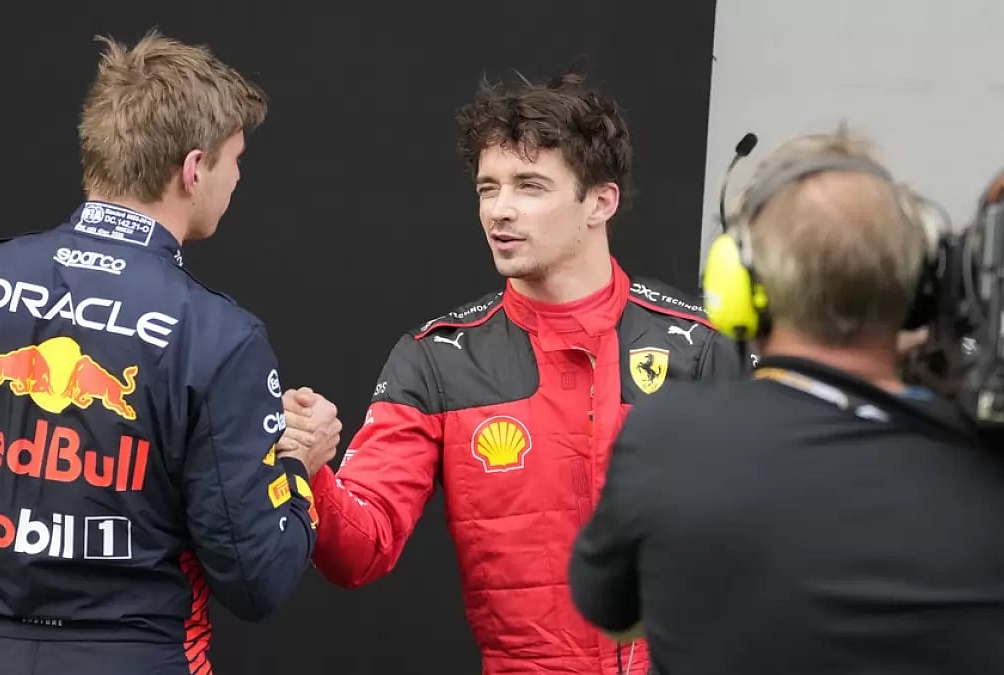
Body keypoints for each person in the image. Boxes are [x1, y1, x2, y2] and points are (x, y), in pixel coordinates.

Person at [0, 30, 336, 675]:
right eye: (235, 160)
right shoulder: (220, 336)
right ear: (194, 168)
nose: (237, 179)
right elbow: (257, 582)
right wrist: (298, 468)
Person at [278, 71, 745, 675]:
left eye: (530, 186)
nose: (500, 210)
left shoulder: (701, 347)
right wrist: (314, 473)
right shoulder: (437, 359)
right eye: (487, 188)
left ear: (600, 201)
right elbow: (358, 553)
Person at [567, 127, 1004, 674]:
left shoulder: (666, 439)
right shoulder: (992, 461)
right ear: (922, 286)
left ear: (738, 286)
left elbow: (611, 614)